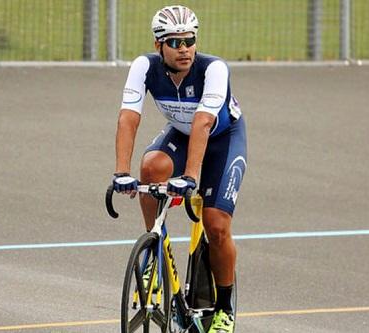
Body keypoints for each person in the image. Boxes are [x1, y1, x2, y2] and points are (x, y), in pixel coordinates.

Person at [111, 5, 247, 333]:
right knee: (151, 167)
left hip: (222, 139)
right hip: (184, 135)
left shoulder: (213, 69)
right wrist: (120, 172)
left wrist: (190, 177)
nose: (184, 48)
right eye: (175, 42)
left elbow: (203, 123)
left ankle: (225, 307)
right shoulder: (144, 66)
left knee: (216, 225)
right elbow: (129, 117)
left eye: (190, 40)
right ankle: (153, 255)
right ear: (159, 46)